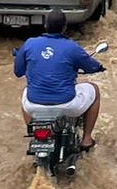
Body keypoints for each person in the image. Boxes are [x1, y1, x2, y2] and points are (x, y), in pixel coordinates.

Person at [13, 8, 104, 149]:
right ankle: (86, 139)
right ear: (64, 27)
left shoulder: (30, 44)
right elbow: (91, 67)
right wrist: (99, 67)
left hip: (34, 105)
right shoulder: (71, 47)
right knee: (95, 90)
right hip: (68, 104)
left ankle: (34, 132)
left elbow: (18, 72)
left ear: (45, 25)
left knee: (26, 92)